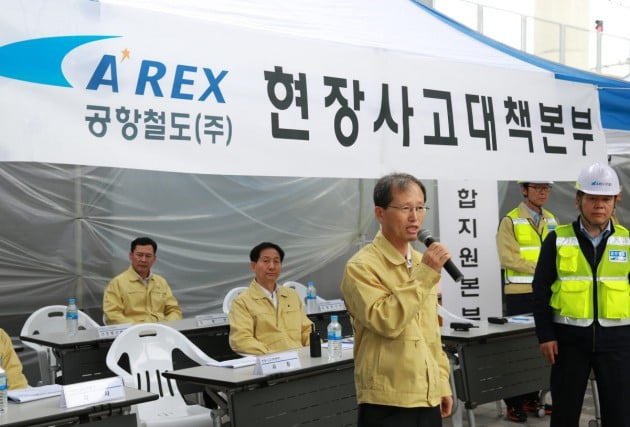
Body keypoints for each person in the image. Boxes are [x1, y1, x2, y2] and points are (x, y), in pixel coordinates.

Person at [340, 173, 453, 427]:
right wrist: (425, 274)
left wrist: (441, 383)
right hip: (387, 399)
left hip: (427, 395)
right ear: (380, 213)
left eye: (420, 207)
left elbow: (430, 333)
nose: (415, 217)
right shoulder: (361, 267)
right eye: (405, 208)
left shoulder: (420, 262)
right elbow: (386, 321)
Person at [533, 162, 630, 426]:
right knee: (564, 413)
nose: (599, 205)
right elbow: (540, 290)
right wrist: (545, 335)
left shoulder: (627, 241)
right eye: (592, 198)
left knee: (620, 414)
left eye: (606, 199)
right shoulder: (557, 240)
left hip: (618, 343)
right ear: (578, 200)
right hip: (568, 343)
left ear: (615, 201)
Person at [496, 180, 556, 422]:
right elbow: (508, 258)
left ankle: (532, 398)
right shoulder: (510, 221)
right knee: (517, 348)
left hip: (546, 292)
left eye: (546, 188)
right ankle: (513, 402)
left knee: (540, 347)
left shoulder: (551, 219)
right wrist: (542, 269)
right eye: (537, 187)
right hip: (520, 294)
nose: (543, 192)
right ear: (524, 190)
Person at [228, 242, 313, 355]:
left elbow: (306, 329)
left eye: (276, 261)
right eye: (266, 261)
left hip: (302, 360)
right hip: (270, 363)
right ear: (253, 266)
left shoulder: (292, 295)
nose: (272, 266)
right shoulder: (242, 302)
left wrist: (312, 350)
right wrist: (273, 356)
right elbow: (241, 340)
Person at [103, 237, 183, 324]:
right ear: (131, 256)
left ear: (154, 259)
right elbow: (112, 315)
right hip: (133, 334)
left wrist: (165, 326)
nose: (143, 260)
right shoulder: (117, 283)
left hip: (162, 333)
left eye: (148, 256)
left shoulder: (161, 282)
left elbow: (174, 310)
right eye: (139, 255)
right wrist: (138, 328)